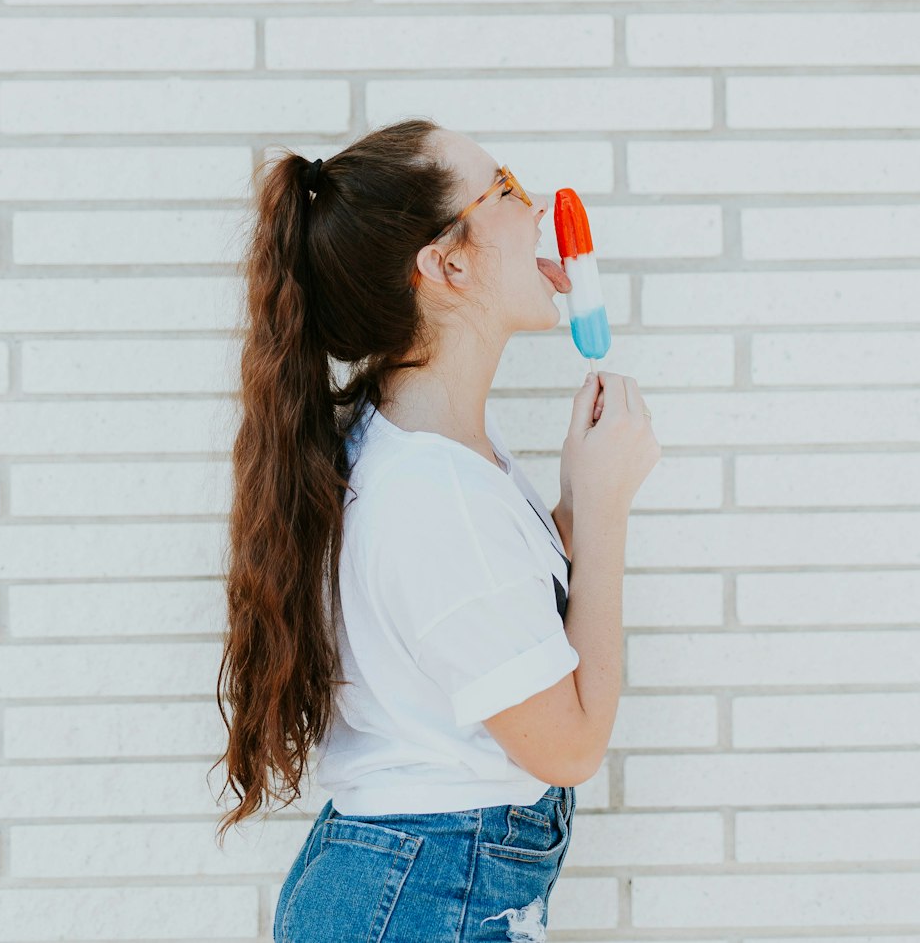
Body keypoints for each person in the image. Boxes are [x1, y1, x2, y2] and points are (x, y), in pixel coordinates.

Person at [211, 118, 661, 942]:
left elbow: (500, 615)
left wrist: (573, 495)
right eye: (507, 190)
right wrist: (602, 511)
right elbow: (566, 747)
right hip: (422, 900)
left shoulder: (434, 452)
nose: (540, 209)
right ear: (447, 263)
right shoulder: (432, 495)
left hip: (413, 888)